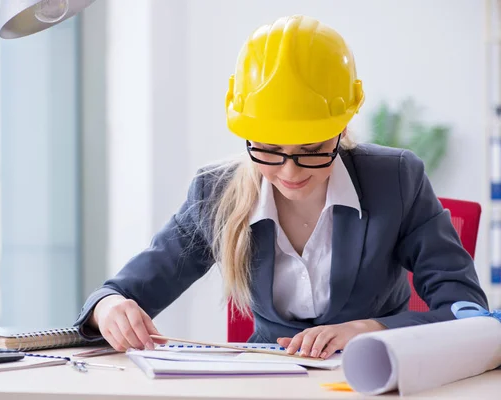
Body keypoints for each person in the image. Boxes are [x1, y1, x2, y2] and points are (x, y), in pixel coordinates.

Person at [74, 15, 487, 360]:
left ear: (342, 128)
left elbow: (466, 311)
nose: (289, 170)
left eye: (311, 149)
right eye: (269, 149)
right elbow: (117, 293)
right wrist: (109, 308)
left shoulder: (396, 179)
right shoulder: (214, 193)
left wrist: (371, 329)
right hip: (267, 384)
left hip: (376, 378)